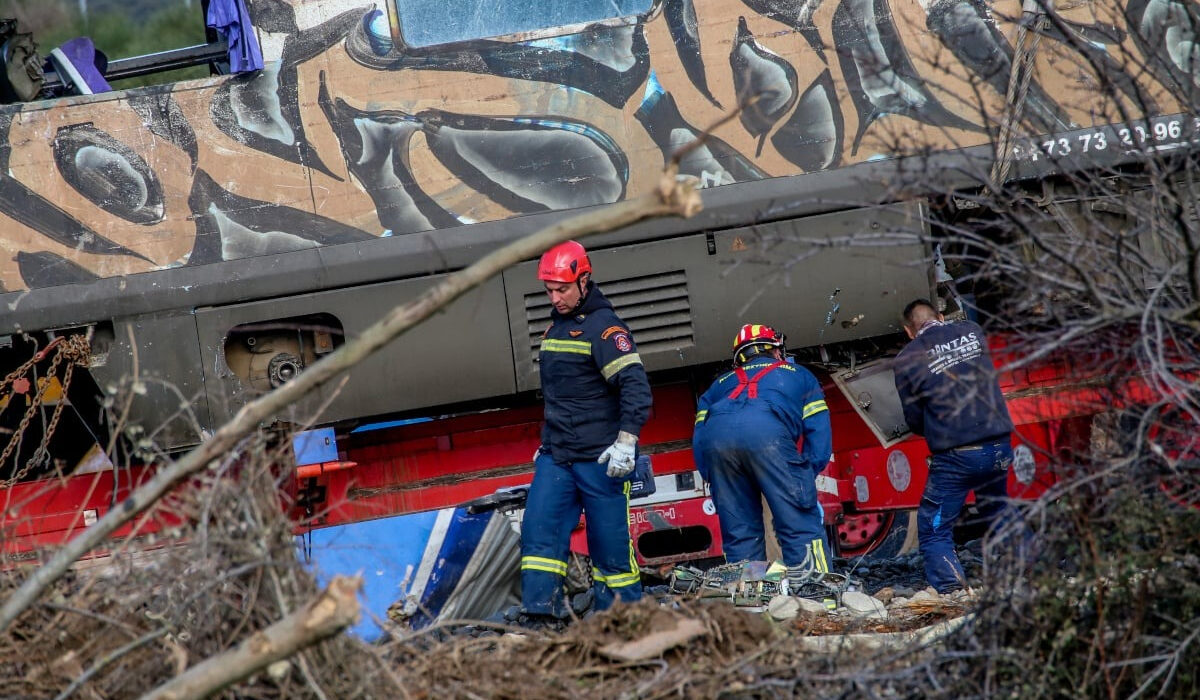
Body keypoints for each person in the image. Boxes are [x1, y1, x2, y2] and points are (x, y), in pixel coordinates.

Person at [520, 240, 652, 625]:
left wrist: (626, 441)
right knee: (539, 533)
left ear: (584, 280)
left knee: (610, 545)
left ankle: (622, 617)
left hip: (601, 457)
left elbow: (635, 386)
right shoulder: (555, 328)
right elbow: (561, 395)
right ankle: (540, 616)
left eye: (562, 289)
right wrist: (547, 443)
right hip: (558, 455)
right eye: (549, 290)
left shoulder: (606, 330)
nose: (555, 297)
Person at [892, 298, 1015, 594]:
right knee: (998, 508)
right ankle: (1034, 569)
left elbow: (914, 420)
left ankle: (952, 589)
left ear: (909, 331)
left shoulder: (907, 358)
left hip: (959, 456)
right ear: (942, 317)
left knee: (934, 527)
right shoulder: (972, 330)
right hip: (999, 445)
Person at [692, 324, 834, 576]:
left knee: (740, 534)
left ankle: (750, 603)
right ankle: (816, 592)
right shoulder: (799, 374)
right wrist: (805, 475)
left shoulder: (716, 387)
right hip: (767, 437)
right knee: (799, 526)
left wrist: (715, 478)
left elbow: (701, 440)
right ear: (776, 350)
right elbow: (819, 433)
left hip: (718, 446)